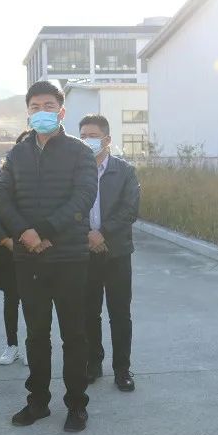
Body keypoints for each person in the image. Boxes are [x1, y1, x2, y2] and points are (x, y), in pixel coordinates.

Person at [0, 81, 97, 432]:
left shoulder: (80, 152)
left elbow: (83, 197)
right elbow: (1, 197)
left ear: (61, 111)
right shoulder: (16, 155)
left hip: (69, 258)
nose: (41, 112)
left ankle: (76, 405)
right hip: (29, 260)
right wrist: (25, 232)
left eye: (48, 106)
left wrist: (45, 231)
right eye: (35, 107)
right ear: (28, 112)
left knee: (74, 335)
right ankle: (37, 402)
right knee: (36, 334)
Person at [79, 114, 140, 392]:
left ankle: (122, 369)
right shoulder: (75, 171)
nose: (87, 141)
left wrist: (102, 233)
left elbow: (129, 210)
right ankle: (93, 363)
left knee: (120, 313)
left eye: (92, 136)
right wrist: (88, 234)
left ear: (107, 139)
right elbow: (69, 207)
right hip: (85, 252)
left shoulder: (124, 171)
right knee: (88, 313)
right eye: (82, 136)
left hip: (116, 253)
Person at [0, 132, 31, 366]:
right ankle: (12, 345)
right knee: (11, 299)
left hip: (35, 248)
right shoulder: (5, 174)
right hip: (9, 249)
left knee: (34, 301)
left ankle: (32, 346)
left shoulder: (44, 176)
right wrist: (5, 239)